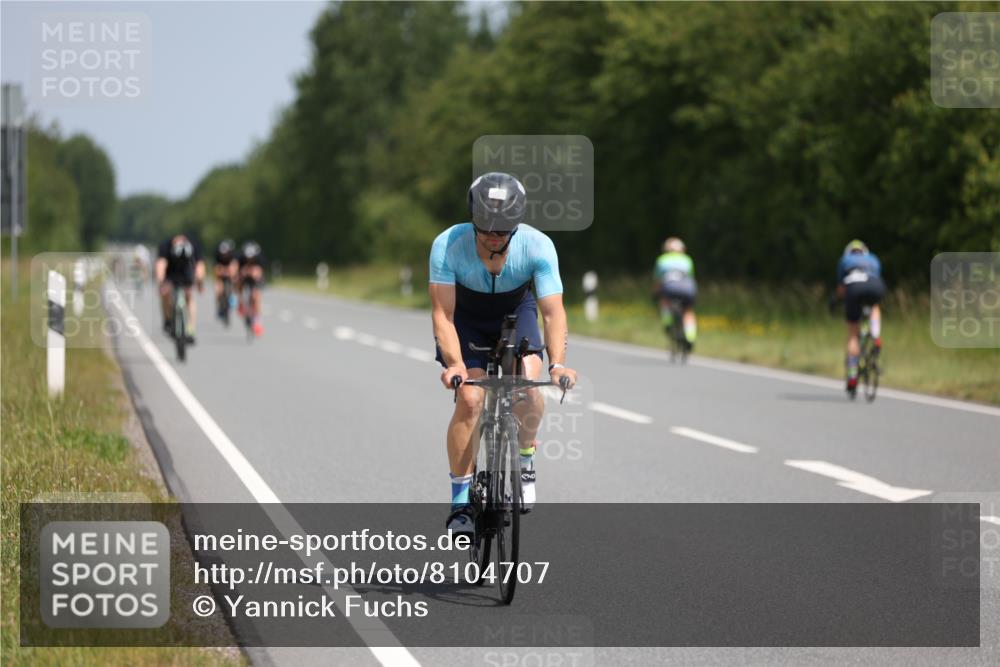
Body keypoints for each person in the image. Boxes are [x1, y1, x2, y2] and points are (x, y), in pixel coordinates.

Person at [429, 172, 577, 536]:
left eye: (503, 230)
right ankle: (461, 502)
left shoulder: (538, 246)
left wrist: (557, 363)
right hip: (466, 318)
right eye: (486, 229)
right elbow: (443, 315)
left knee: (529, 383)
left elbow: (553, 312)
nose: (494, 236)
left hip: (516, 311)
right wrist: (455, 365)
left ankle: (525, 459)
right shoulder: (448, 244)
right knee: (469, 398)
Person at [836, 239, 885, 394]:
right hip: (875, 285)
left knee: (852, 334)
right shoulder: (873, 258)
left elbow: (841, 290)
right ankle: (876, 335)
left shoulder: (845, 260)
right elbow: (875, 276)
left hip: (854, 288)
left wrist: (838, 301)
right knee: (875, 305)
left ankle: (852, 375)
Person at [155, 234, 205, 343]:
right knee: (165, 294)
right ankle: (168, 319)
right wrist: (161, 283)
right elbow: (161, 265)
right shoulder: (166, 246)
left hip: (187, 273)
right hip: (170, 273)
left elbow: (199, 265)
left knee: (189, 297)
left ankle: (190, 328)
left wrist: (200, 282)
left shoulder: (193, 247)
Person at [653, 237, 698, 350]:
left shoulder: (662, 259)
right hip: (688, 288)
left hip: (670, 288)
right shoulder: (687, 259)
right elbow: (691, 277)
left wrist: (654, 294)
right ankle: (690, 338)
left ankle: (667, 322)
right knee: (688, 311)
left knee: (664, 301)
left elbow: (658, 281)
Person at [237, 241, 265, 337]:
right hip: (244, 278)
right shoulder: (241, 259)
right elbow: (237, 272)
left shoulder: (259, 259)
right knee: (238, 283)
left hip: (255, 279)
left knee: (256, 296)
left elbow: (258, 274)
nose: (249, 259)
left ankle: (257, 320)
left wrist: (252, 273)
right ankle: (240, 302)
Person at [214, 239, 238, 321]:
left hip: (230, 275)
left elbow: (234, 269)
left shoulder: (233, 256)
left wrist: (228, 272)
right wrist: (224, 271)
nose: (224, 255)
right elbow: (217, 270)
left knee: (234, 285)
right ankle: (219, 306)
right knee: (218, 290)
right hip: (221, 276)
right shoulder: (218, 256)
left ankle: (232, 301)